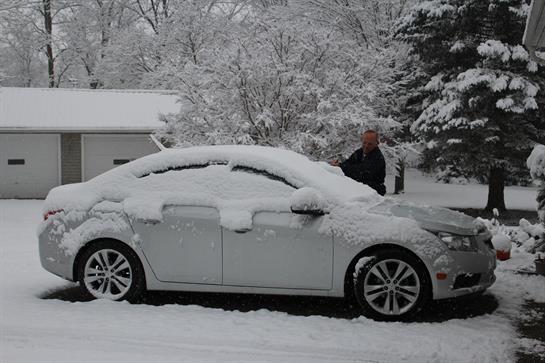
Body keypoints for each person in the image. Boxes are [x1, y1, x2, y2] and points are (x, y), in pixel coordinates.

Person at [330, 130, 386, 196]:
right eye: (364, 143)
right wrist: (338, 165)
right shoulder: (359, 153)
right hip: (358, 192)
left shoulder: (377, 158)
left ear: (377, 143)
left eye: (370, 144)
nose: (366, 146)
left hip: (373, 195)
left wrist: (341, 167)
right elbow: (348, 163)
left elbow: (361, 172)